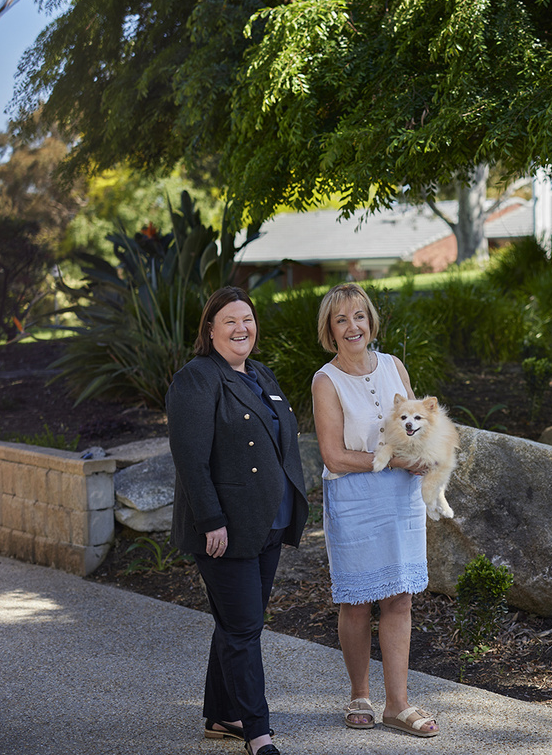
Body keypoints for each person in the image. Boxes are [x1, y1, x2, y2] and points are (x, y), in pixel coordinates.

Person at [168, 286, 309, 755]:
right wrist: (210, 520)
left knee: (236, 624)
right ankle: (257, 732)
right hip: (224, 527)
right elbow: (190, 458)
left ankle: (222, 715)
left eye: (246, 319)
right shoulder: (196, 378)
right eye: (228, 320)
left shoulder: (259, 373)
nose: (240, 328)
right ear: (209, 330)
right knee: (244, 627)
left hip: (267, 522)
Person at [311, 283, 441, 738]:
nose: (353, 327)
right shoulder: (325, 381)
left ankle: (398, 705)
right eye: (342, 319)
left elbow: (415, 429)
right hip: (355, 499)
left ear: (371, 321)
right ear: (330, 329)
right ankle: (359, 695)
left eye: (360, 316)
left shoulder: (393, 366)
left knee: (399, 597)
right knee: (356, 601)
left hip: (400, 497)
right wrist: (394, 460)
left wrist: (425, 456)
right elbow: (333, 456)